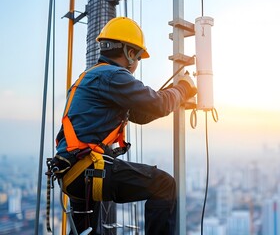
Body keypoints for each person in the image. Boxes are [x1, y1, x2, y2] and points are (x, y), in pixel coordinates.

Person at [53, 17, 196, 235]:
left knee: (86, 232)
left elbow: (142, 114)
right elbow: (157, 105)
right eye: (138, 57)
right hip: (87, 171)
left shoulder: (93, 76)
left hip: (74, 174)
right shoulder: (113, 76)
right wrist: (184, 88)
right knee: (164, 185)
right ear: (129, 53)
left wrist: (168, 98)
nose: (137, 64)